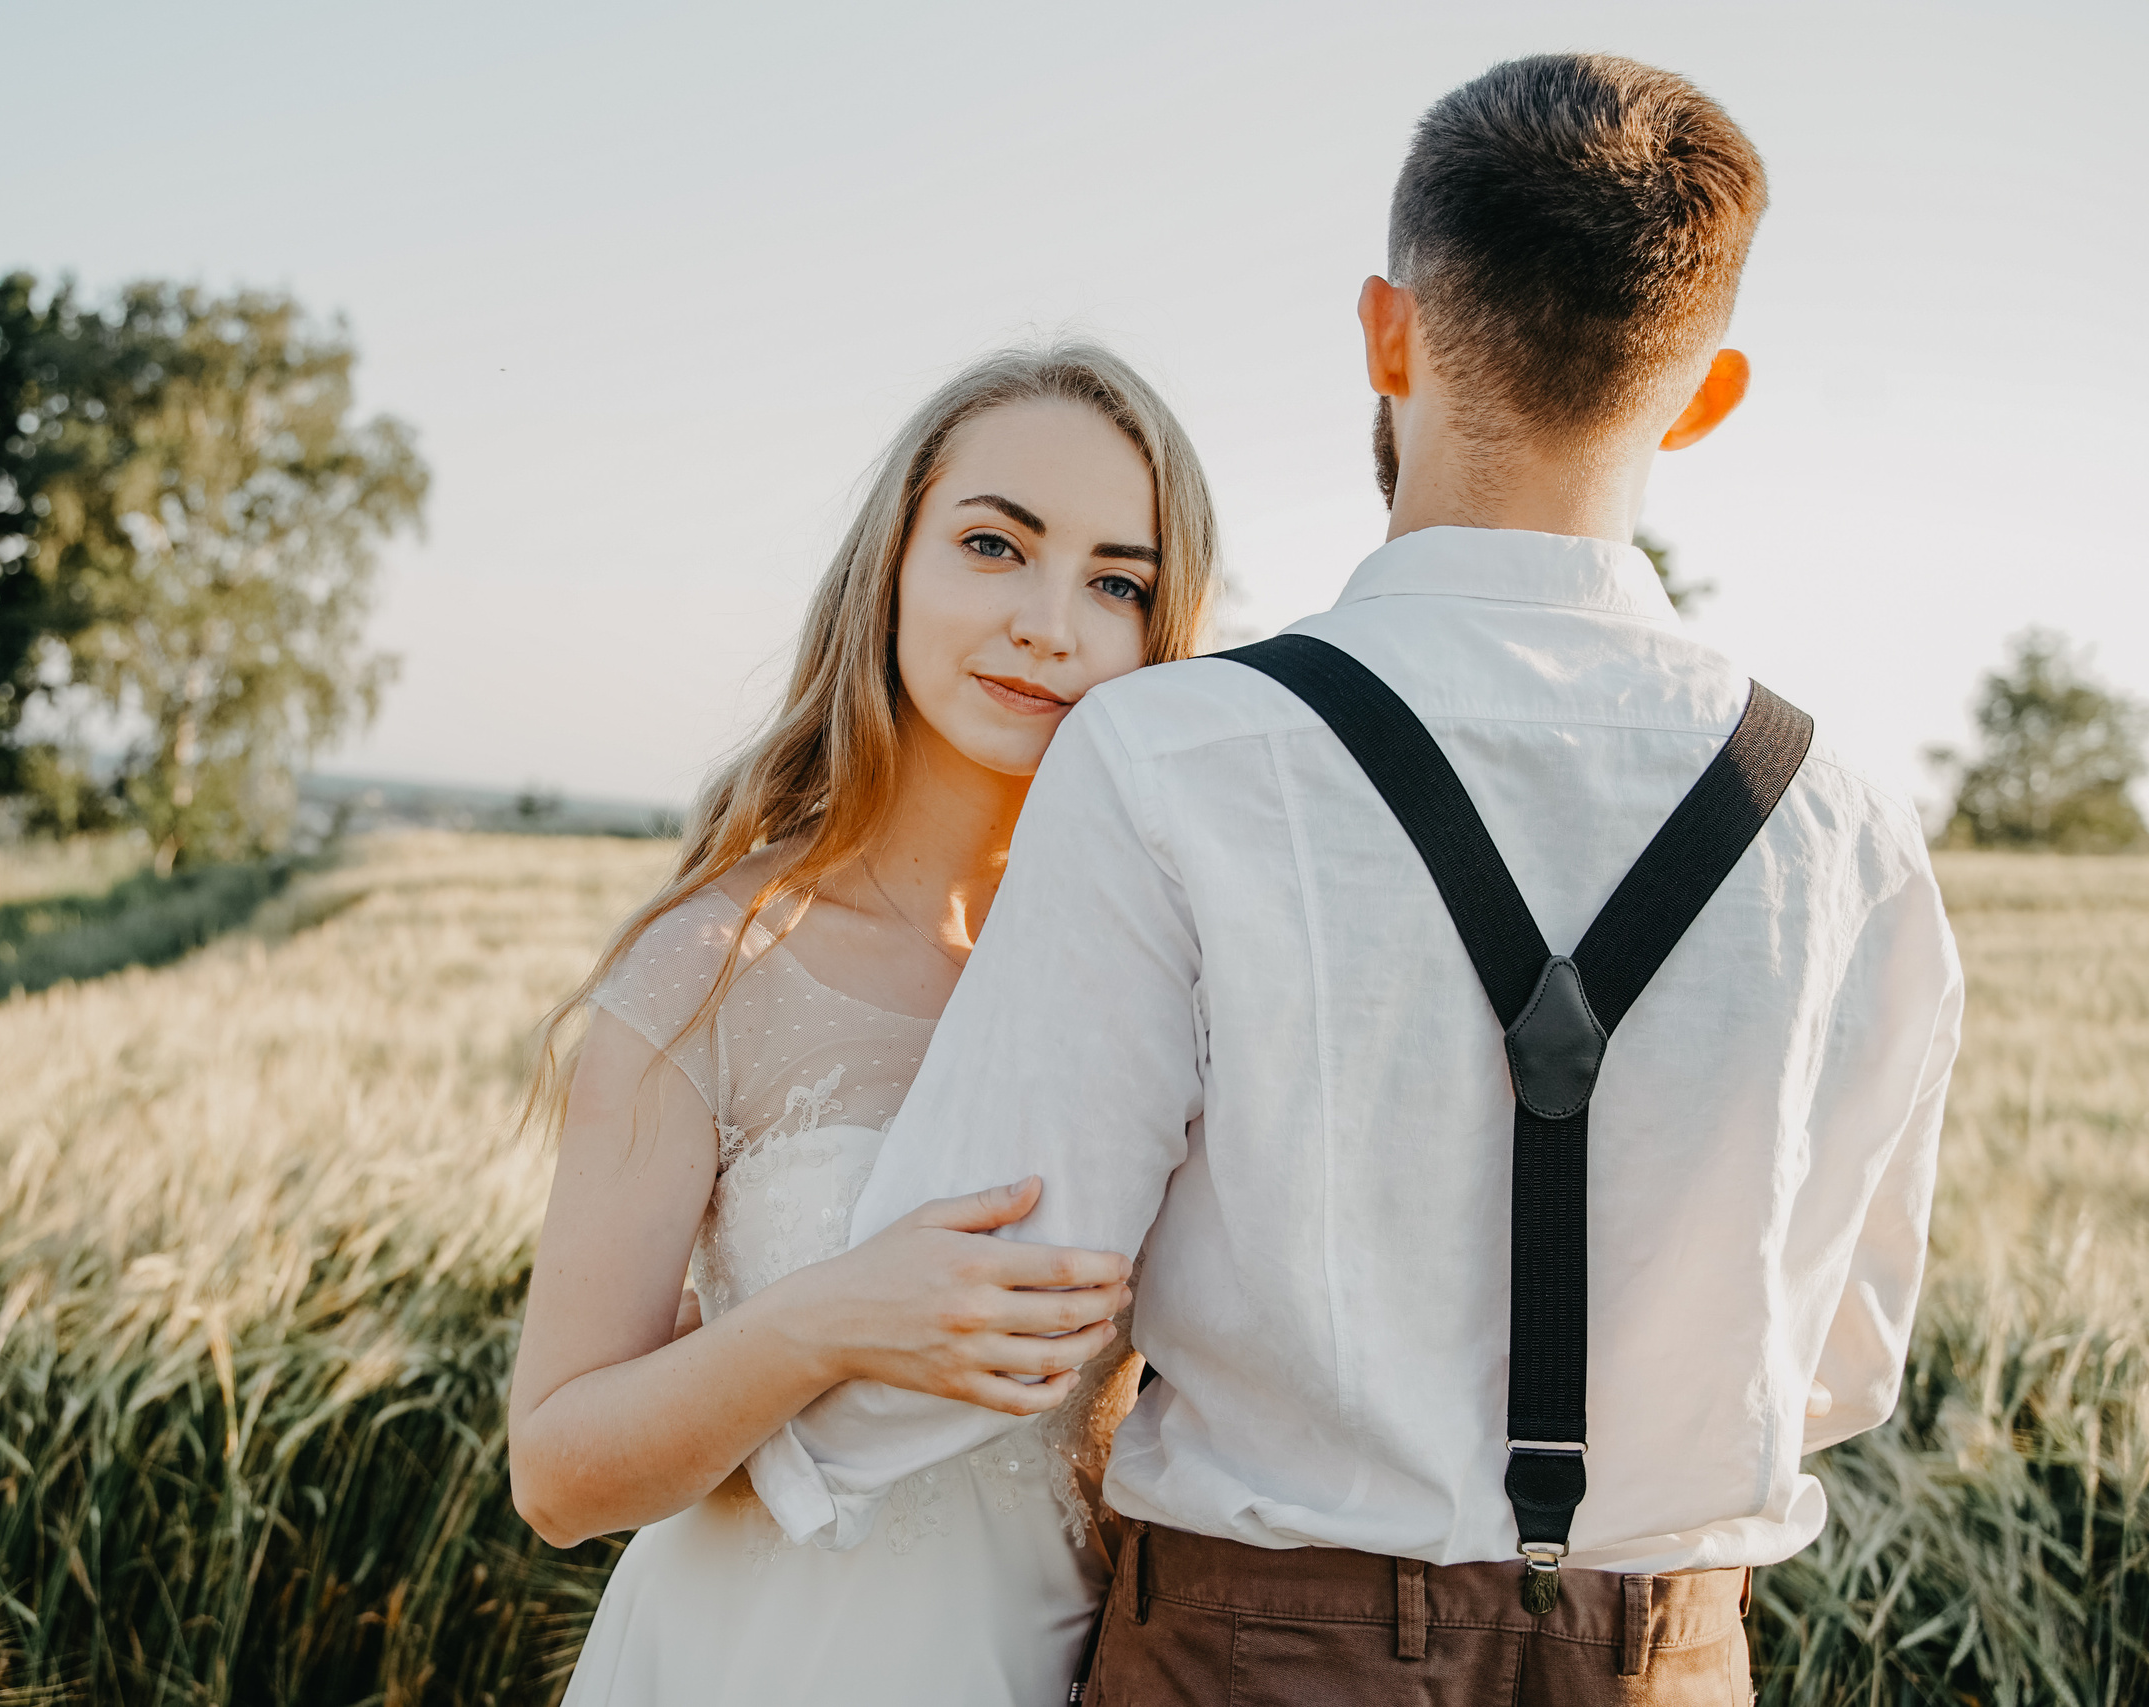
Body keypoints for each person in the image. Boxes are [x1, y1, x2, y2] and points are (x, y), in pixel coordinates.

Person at [757, 54, 1964, 1705]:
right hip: (1666, 1656)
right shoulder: (1847, 824)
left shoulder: (1177, 752)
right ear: (1704, 396)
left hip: (1259, 1650)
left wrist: (764, 1460)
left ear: (1388, 334)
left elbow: (1002, 1298)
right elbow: (1837, 1361)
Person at [509, 341, 1222, 1705]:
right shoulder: (715, 965)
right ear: (891, 565)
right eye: (995, 546)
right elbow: (557, 1476)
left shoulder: (1164, 989)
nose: (1050, 624)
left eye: (1116, 581)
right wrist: (828, 1323)